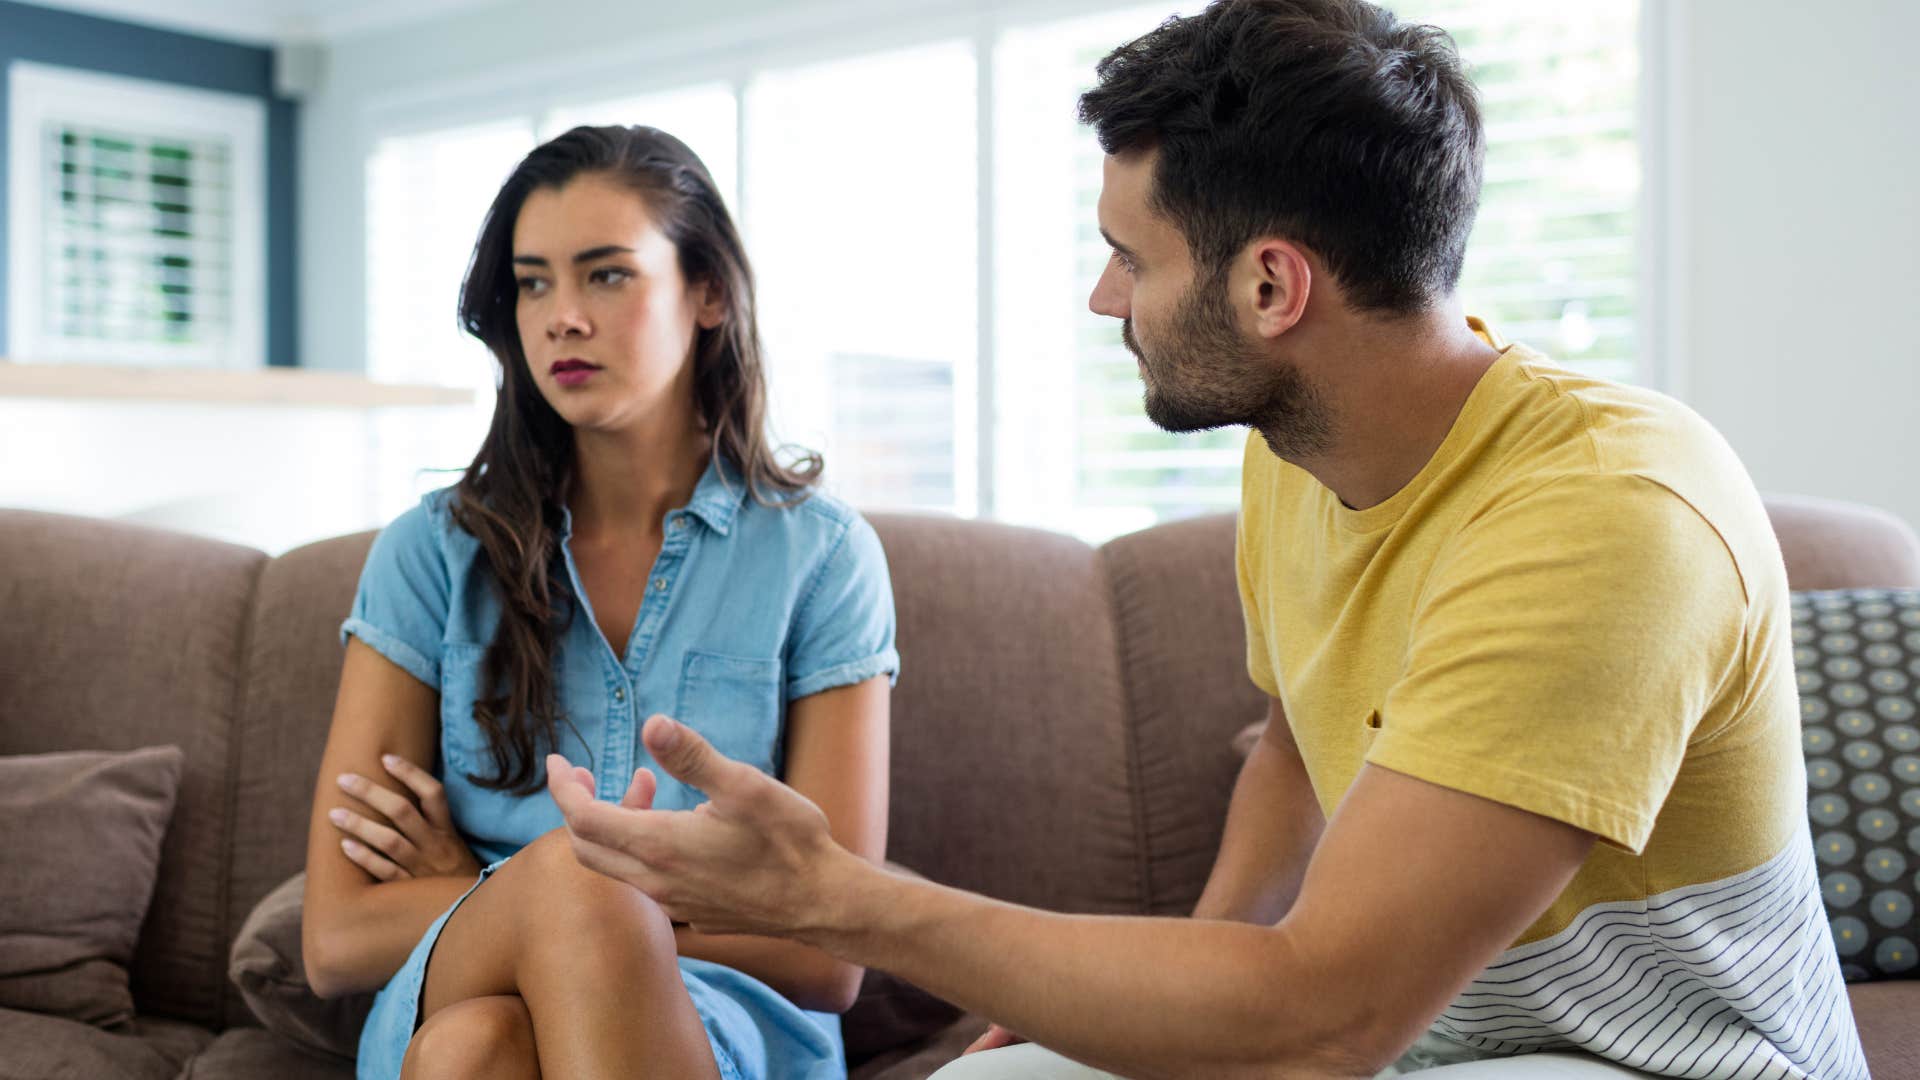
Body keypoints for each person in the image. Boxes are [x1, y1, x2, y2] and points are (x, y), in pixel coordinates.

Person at [543, 2, 1869, 1078]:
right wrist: (1173, 973)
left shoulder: (1605, 519)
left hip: (1653, 1060)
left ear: (1271, 286)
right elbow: (1302, 739)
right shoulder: (1301, 445)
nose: (1102, 293)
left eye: (1133, 255)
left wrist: (835, 894)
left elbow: (1317, 1018)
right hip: (1425, 1038)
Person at [301, 124, 898, 1080]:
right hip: (464, 979)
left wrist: (499, 889)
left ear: (708, 292)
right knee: (475, 1020)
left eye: (606, 275)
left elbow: (829, 951)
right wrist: (558, 904)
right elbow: (336, 935)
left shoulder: (822, 559)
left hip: (725, 1024)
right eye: (533, 282)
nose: (560, 317)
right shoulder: (428, 555)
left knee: (478, 1044)